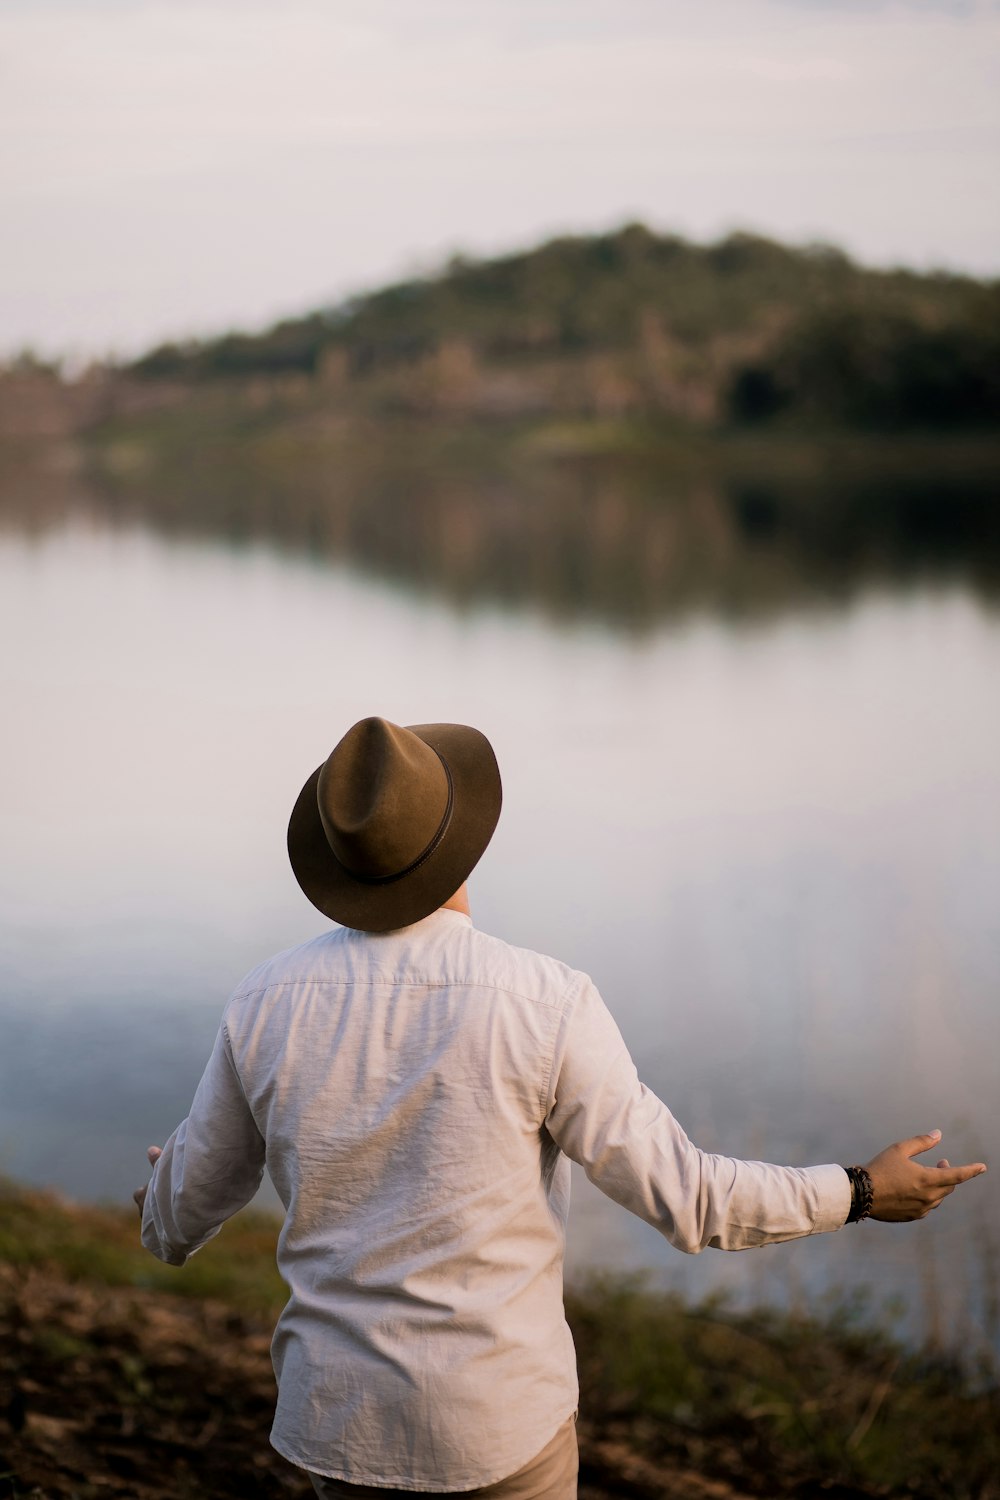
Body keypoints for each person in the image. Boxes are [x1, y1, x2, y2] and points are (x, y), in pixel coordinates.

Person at [135, 716, 987, 1499]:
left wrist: (165, 1190)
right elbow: (691, 1200)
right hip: (497, 1433)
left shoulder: (264, 1002)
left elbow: (178, 1221)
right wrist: (862, 1192)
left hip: (340, 1431)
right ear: (463, 848)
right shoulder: (545, 1003)